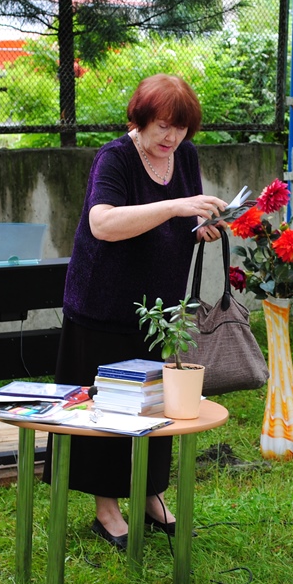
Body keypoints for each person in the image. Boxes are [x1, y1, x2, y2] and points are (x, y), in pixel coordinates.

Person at [48, 74, 227, 550]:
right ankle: (106, 510)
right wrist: (175, 207)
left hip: (160, 308)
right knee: (105, 410)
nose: (172, 137)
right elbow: (102, 222)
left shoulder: (185, 156)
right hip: (103, 305)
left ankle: (150, 497)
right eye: (163, 126)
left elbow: (183, 217)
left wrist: (201, 226)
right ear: (141, 119)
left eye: (181, 128)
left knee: (157, 405)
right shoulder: (115, 157)